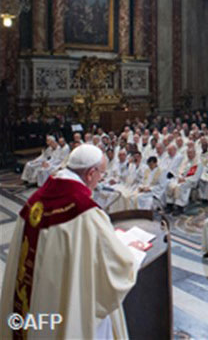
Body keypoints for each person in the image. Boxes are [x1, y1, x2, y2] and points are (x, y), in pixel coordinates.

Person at [0, 144, 139, 339]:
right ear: (90, 173)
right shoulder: (86, 213)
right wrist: (132, 255)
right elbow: (116, 268)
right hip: (68, 301)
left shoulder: (36, 200)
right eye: (101, 174)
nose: (101, 179)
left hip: (40, 297)